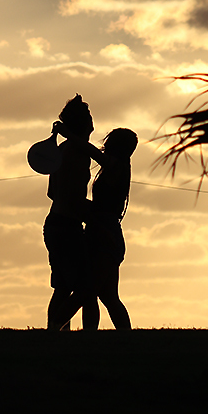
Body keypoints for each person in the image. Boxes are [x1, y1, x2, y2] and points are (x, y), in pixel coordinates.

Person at [54, 125, 138, 331]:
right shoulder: (118, 167)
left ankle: (53, 328)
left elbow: (91, 152)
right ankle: (127, 339)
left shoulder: (116, 166)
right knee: (108, 296)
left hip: (104, 232)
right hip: (102, 230)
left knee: (86, 290)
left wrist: (70, 135)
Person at [43, 95, 94, 331]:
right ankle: (56, 327)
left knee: (62, 287)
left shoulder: (63, 150)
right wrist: (95, 214)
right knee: (85, 287)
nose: (93, 125)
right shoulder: (78, 153)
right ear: (84, 125)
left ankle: (55, 336)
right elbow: (70, 198)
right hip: (67, 225)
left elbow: (53, 193)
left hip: (56, 223)